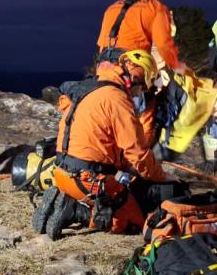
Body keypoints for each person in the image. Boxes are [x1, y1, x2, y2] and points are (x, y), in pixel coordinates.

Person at [34, 50, 186, 239]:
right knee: (134, 222)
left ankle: (67, 199)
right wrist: (161, 176)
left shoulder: (92, 89)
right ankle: (75, 211)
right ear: (136, 75)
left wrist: (128, 168)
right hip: (88, 179)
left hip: (63, 173)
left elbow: (104, 145)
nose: (139, 93)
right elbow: (137, 153)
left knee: (125, 192)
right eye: (142, 87)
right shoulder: (117, 99)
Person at [95, 0, 184, 72]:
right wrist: (177, 66)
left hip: (103, 68)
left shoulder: (112, 8)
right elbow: (163, 45)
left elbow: (101, 46)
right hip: (133, 68)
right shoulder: (156, 7)